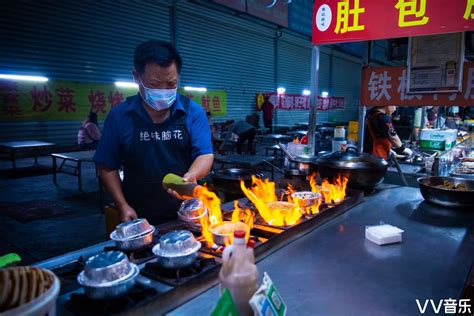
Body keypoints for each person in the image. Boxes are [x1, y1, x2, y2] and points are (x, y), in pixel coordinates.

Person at [94, 40, 213, 224]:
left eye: (171, 83)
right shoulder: (119, 116)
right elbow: (107, 166)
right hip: (139, 214)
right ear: (136, 77)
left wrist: (192, 176)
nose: (164, 91)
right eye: (155, 84)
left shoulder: (193, 112)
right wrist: (122, 206)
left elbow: (205, 154)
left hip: (186, 211)